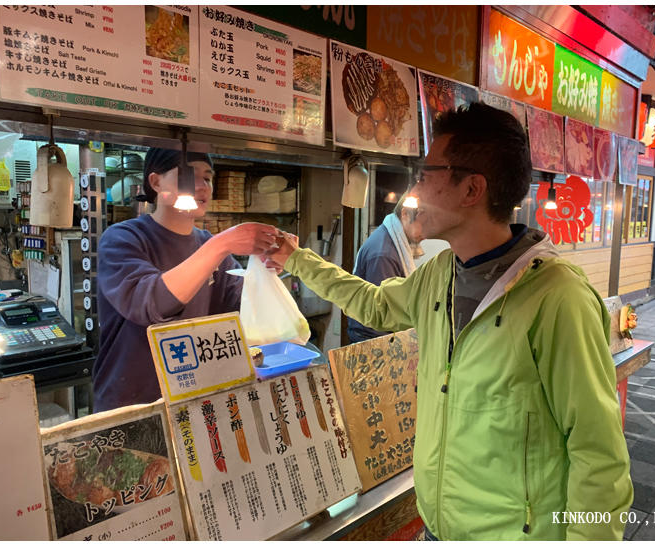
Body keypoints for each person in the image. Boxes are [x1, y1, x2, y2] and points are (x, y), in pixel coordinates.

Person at [265, 103, 633, 540]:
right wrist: (297, 260)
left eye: (426, 174)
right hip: (439, 528)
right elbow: (376, 304)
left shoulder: (558, 298)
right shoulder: (441, 274)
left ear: (471, 189)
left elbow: (599, 455)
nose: (415, 189)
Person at [94, 148, 279, 412]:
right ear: (156, 182)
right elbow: (151, 303)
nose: (203, 185)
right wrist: (221, 244)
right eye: (190, 175)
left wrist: (266, 269)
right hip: (131, 405)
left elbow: (244, 308)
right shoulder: (122, 238)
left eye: (208, 177)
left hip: (192, 400)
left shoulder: (209, 245)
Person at [347, 193, 422, 343]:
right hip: (372, 341)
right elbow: (382, 311)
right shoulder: (383, 254)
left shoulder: (391, 239)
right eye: (423, 224)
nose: (425, 233)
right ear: (405, 214)